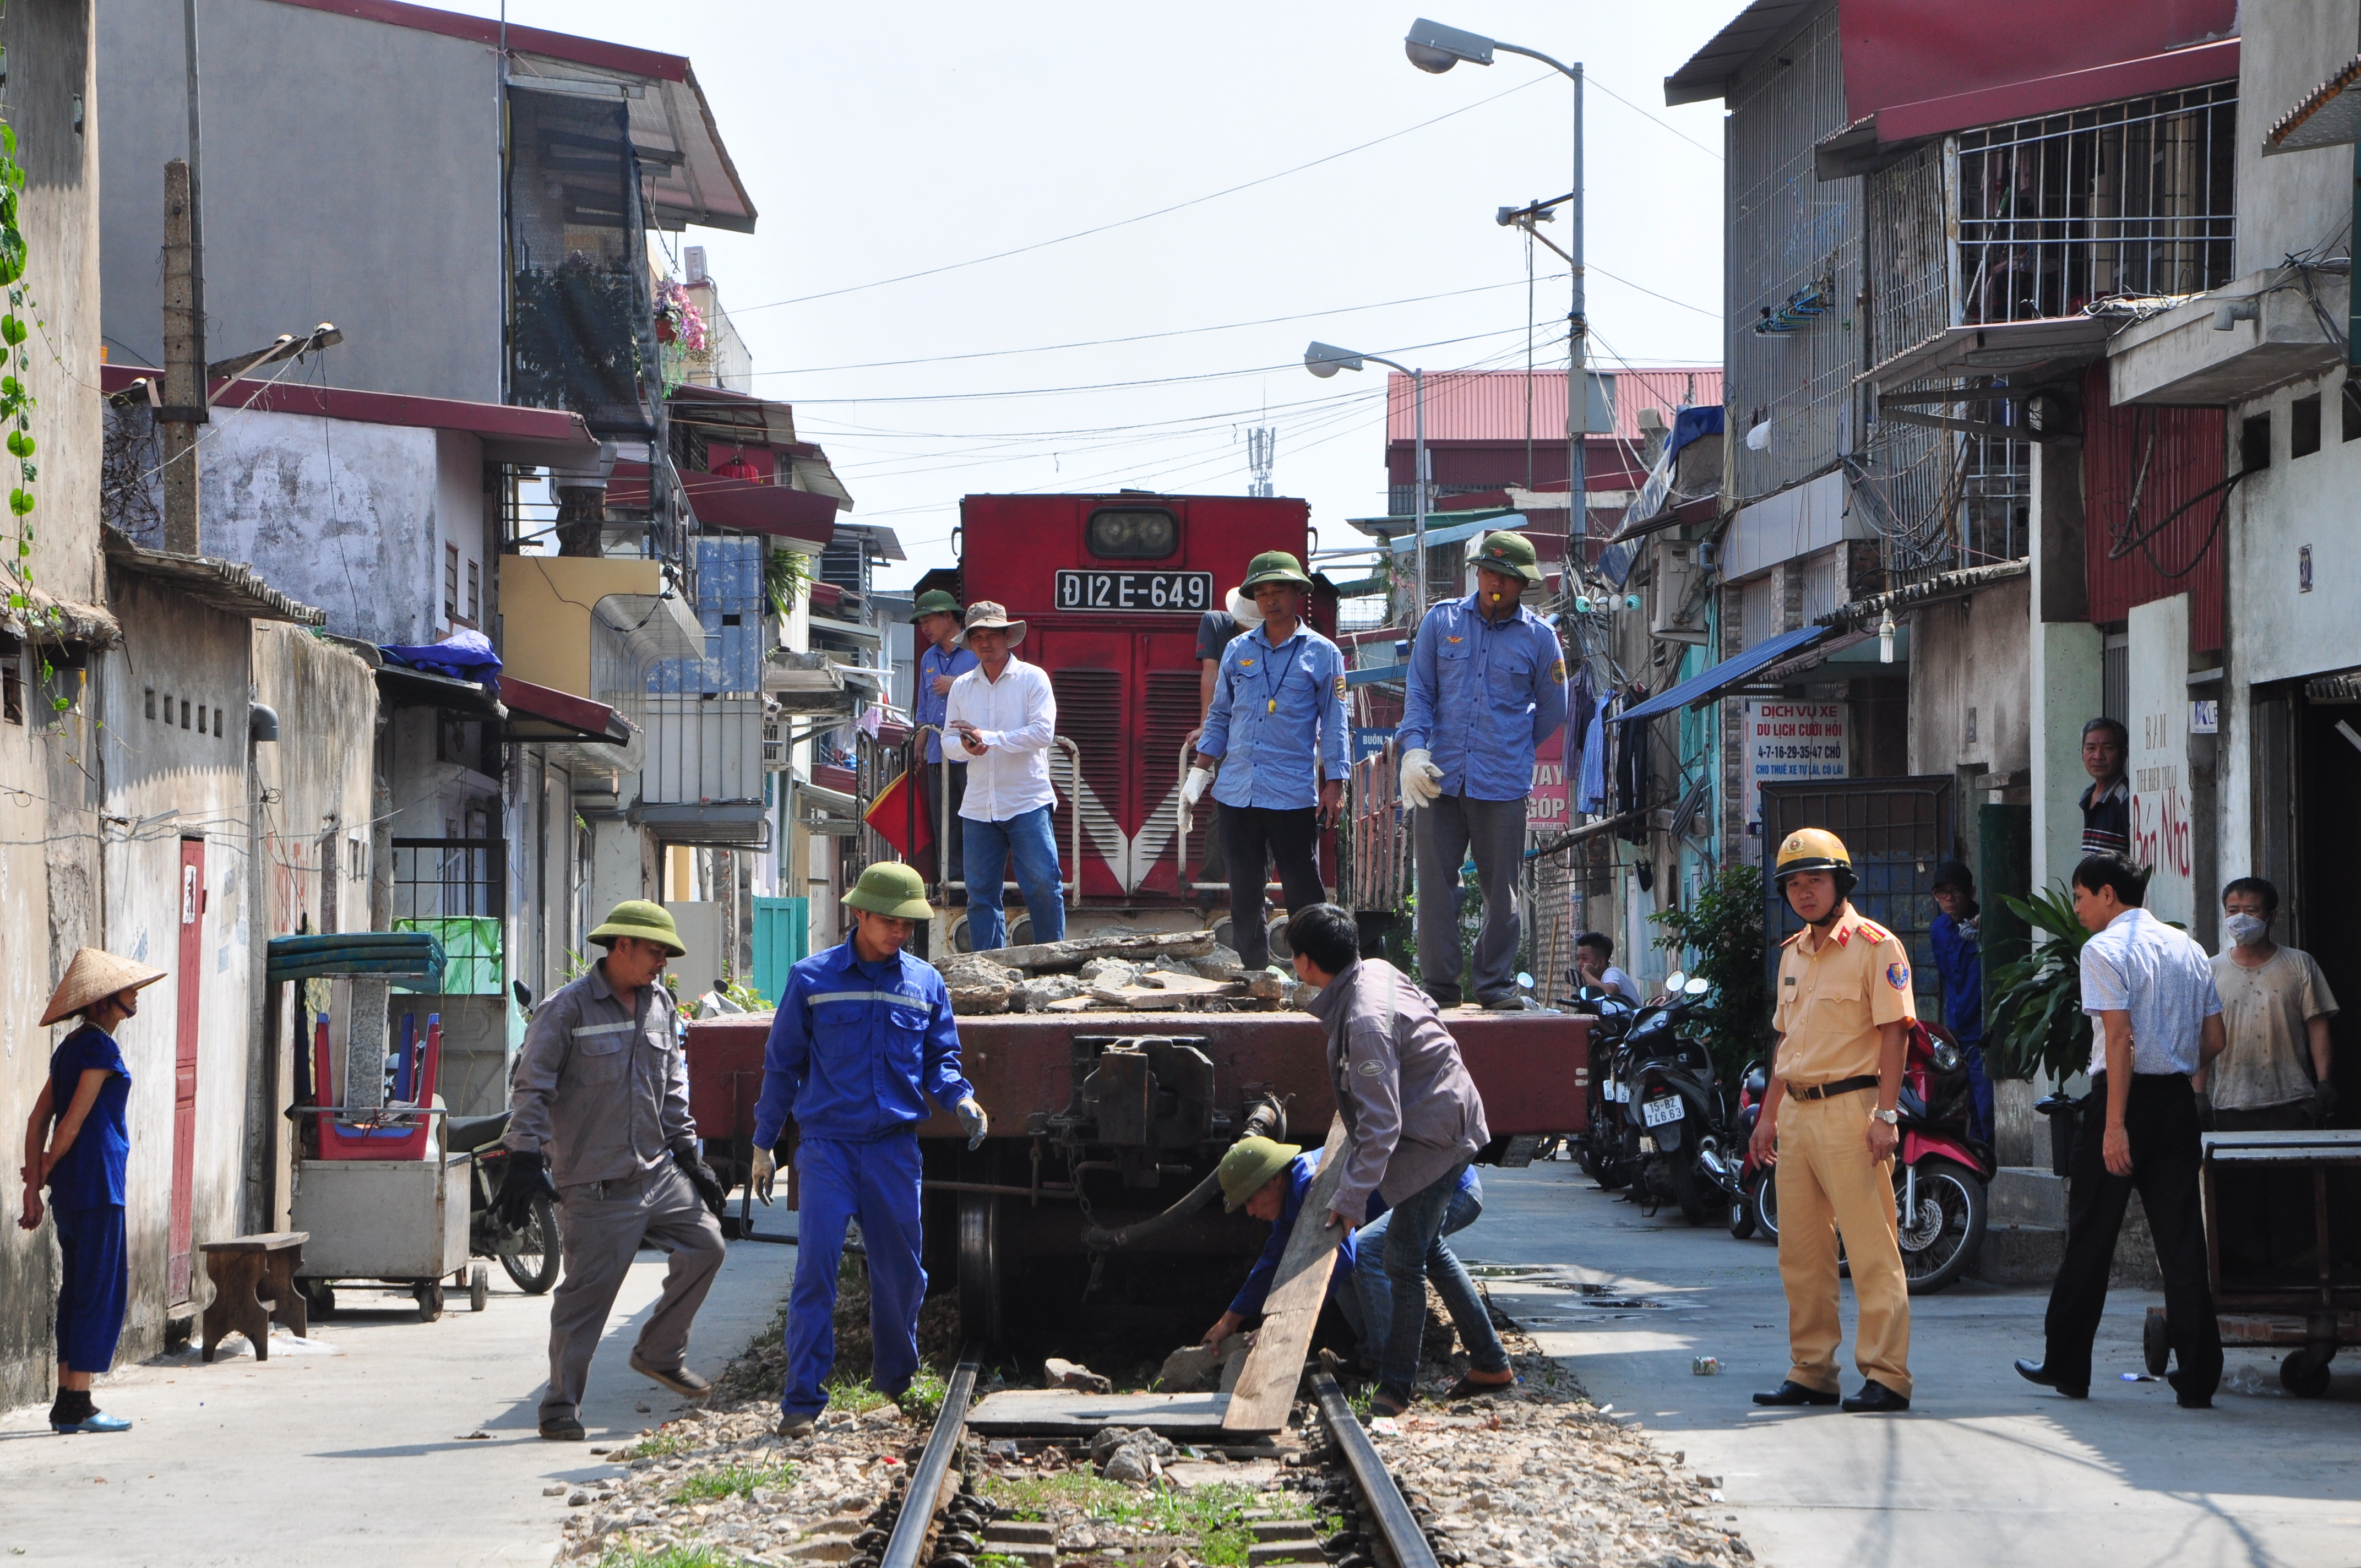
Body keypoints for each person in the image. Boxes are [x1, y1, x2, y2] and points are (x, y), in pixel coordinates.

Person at [750, 863, 988, 1436]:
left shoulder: (925, 983)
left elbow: (941, 1060)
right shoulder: (812, 979)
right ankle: (802, 1402)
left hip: (893, 1152)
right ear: (857, 914)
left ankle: (896, 1379)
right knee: (815, 1273)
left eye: (908, 925)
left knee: (902, 1275)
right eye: (889, 922)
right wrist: (763, 1144)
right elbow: (782, 1066)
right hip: (828, 1149)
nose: (899, 933)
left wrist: (961, 1098)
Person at [499, 900, 731, 1441]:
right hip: (595, 1185)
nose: (662, 964)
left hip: (656, 1172)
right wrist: (525, 1154)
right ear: (621, 945)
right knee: (585, 1300)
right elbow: (531, 1087)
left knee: (707, 1246)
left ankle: (659, 1351)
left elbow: (674, 1086)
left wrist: (690, 1154)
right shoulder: (567, 1010)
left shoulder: (661, 1007)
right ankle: (559, 1403)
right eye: (655, 952)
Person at [2014, 854, 2224, 1409]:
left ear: (2108, 894)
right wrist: (2178, 1062)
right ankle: (2199, 1376)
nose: (2077, 907)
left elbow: (2119, 1040)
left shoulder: (2103, 949)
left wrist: (2113, 1126)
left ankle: (2066, 1364)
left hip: (2122, 1099)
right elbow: (2217, 1038)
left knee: (2090, 1236)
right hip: (2177, 1099)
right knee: (2181, 1241)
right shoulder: (2189, 948)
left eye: (2081, 896)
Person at [1289, 901, 1511, 1415]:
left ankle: (1394, 1390)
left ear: (1305, 963)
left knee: (1400, 1259)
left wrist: (1350, 1199)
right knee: (1425, 1246)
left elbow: (1382, 1125)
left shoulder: (1364, 1020)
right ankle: (1491, 1361)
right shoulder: (1379, 972)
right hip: (1447, 1118)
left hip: (1436, 1141)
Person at [1749, 829, 1915, 1415]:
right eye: (1793, 883)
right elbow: (1786, 1043)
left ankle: (1887, 1374)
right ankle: (1812, 1369)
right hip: (1795, 1112)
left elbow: (1895, 1034)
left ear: (1840, 882)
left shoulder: (1876, 947)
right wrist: (1767, 1117)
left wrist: (1886, 1115)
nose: (1804, 892)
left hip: (1854, 1110)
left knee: (1871, 1247)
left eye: (1815, 880)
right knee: (1800, 1252)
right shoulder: (1793, 952)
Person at [1398, 531, 1568, 1009]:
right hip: (1439, 778)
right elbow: (1419, 694)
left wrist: (1511, 745)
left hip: (1503, 784)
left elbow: (1554, 709)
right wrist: (1413, 751)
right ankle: (1440, 987)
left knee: (1502, 890)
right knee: (1434, 887)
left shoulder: (1539, 638)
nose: (1495, 584)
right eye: (1489, 573)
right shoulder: (1440, 621)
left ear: (1522, 585)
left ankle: (1495, 985)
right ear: (1476, 572)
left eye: (1507, 578)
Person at [17, 949, 168, 1434]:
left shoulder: (69, 1048)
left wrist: (37, 1183)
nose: (136, 995)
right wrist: (41, 1171)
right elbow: (71, 1125)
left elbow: (39, 1118)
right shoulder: (100, 1049)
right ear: (106, 1001)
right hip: (98, 1183)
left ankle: (68, 1398)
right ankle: (78, 1402)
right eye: (129, 990)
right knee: (97, 1290)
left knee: (77, 1289)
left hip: (70, 1188)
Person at [1186, 552, 1348, 970]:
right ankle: (1253, 972)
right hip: (1237, 792)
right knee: (1243, 889)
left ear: (1298, 593)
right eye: (1262, 592)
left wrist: (1335, 784)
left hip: (1291, 793)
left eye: (1279, 591)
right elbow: (1220, 715)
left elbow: (1334, 721)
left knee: (1303, 891)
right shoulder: (1237, 650)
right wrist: (1199, 772)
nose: (1270, 600)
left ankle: (1320, 973)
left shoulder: (1324, 654)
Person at [2197, 876, 2336, 1276]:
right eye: (2233, 911)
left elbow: (2318, 1027)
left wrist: (2324, 1083)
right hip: (2231, 1107)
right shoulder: (2211, 971)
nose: (2241, 920)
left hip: (2291, 1103)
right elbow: (2203, 1040)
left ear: (2272, 916)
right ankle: (2242, 1282)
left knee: (2293, 1201)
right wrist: (2199, 1094)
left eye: (2251, 911)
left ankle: (2298, 1281)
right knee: (2238, 1203)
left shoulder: (2299, 965)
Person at [944, 601, 1065, 951]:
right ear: (970, 642)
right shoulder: (962, 687)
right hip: (979, 804)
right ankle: (988, 970)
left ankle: (1053, 965)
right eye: (977, 636)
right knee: (981, 893)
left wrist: (989, 739)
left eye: (992, 635)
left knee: (1043, 884)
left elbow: (1043, 733)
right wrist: (968, 747)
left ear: (1007, 637)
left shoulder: (1033, 678)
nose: (985, 643)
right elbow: (947, 740)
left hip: (1027, 799)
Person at [1201, 1134, 1364, 1357]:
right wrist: (1229, 1321)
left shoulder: (1313, 1185)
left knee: (1369, 1253)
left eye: (1250, 1199)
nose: (1249, 1211)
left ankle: (1383, 1366)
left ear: (1275, 1180)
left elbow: (1343, 1258)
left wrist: (1285, 1320)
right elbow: (1272, 1260)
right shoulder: (1290, 1197)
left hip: (1416, 1182)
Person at [1189, 586, 1258, 894]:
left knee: (1266, 811)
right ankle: (1211, 885)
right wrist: (1207, 725)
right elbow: (1211, 672)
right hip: (1228, 729)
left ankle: (1260, 886)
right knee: (1223, 807)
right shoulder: (1217, 624)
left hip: (1263, 733)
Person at [909, 589, 977, 892]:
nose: (925, 627)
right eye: (921, 622)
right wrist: (919, 746)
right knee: (944, 825)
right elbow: (924, 708)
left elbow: (990, 696)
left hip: (971, 752)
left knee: (975, 822)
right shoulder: (928, 657)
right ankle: (949, 888)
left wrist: (957, 685)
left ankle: (974, 888)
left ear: (949, 617)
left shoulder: (976, 652)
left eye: (929, 620)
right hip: (938, 754)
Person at [1928, 861, 1994, 1145]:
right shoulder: (1939, 930)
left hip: (1983, 1032)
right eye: (1942, 894)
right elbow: (1947, 975)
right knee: (1965, 1109)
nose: (1949, 899)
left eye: (1955, 892)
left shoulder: (1988, 923)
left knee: (1988, 1105)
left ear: (1971, 892)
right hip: (1957, 1032)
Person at [2077, 718, 2130, 858]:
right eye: (2091, 748)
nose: (2098, 756)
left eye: (2108, 748)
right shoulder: (2089, 795)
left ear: (2124, 753)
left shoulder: (2125, 797)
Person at [1573, 932, 1642, 1004]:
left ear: (1600, 962)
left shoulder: (1612, 972)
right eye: (1578, 959)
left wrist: (1586, 974)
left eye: (1584, 958)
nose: (1579, 963)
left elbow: (1610, 992)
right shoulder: (1595, 984)